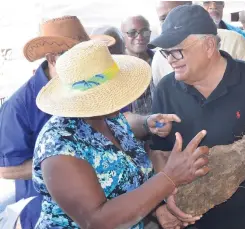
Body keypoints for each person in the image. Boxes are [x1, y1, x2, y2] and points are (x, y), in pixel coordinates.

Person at [32, 39, 209, 229]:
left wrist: (154, 209)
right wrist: (169, 177)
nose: (119, 101)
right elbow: (97, 221)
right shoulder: (59, 146)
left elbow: (127, 128)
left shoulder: (106, 118)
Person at [149, 5, 245, 229]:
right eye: (166, 52)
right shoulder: (166, 90)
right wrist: (164, 197)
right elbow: (159, 152)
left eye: (177, 50)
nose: (170, 59)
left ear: (208, 46)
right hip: (191, 221)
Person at [0, 16, 115, 229]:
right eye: (77, 57)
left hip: (104, 198)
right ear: (53, 59)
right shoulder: (19, 105)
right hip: (44, 210)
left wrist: (146, 122)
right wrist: (65, 165)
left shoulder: (91, 83)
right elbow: (5, 169)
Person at [152, 1, 245, 86]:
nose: (169, 23)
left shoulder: (235, 41)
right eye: (163, 19)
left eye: (178, 15)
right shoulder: (159, 58)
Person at [121, 15, 155, 115]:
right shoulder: (115, 66)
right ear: (122, 36)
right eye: (132, 33)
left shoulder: (163, 59)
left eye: (145, 31)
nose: (140, 37)